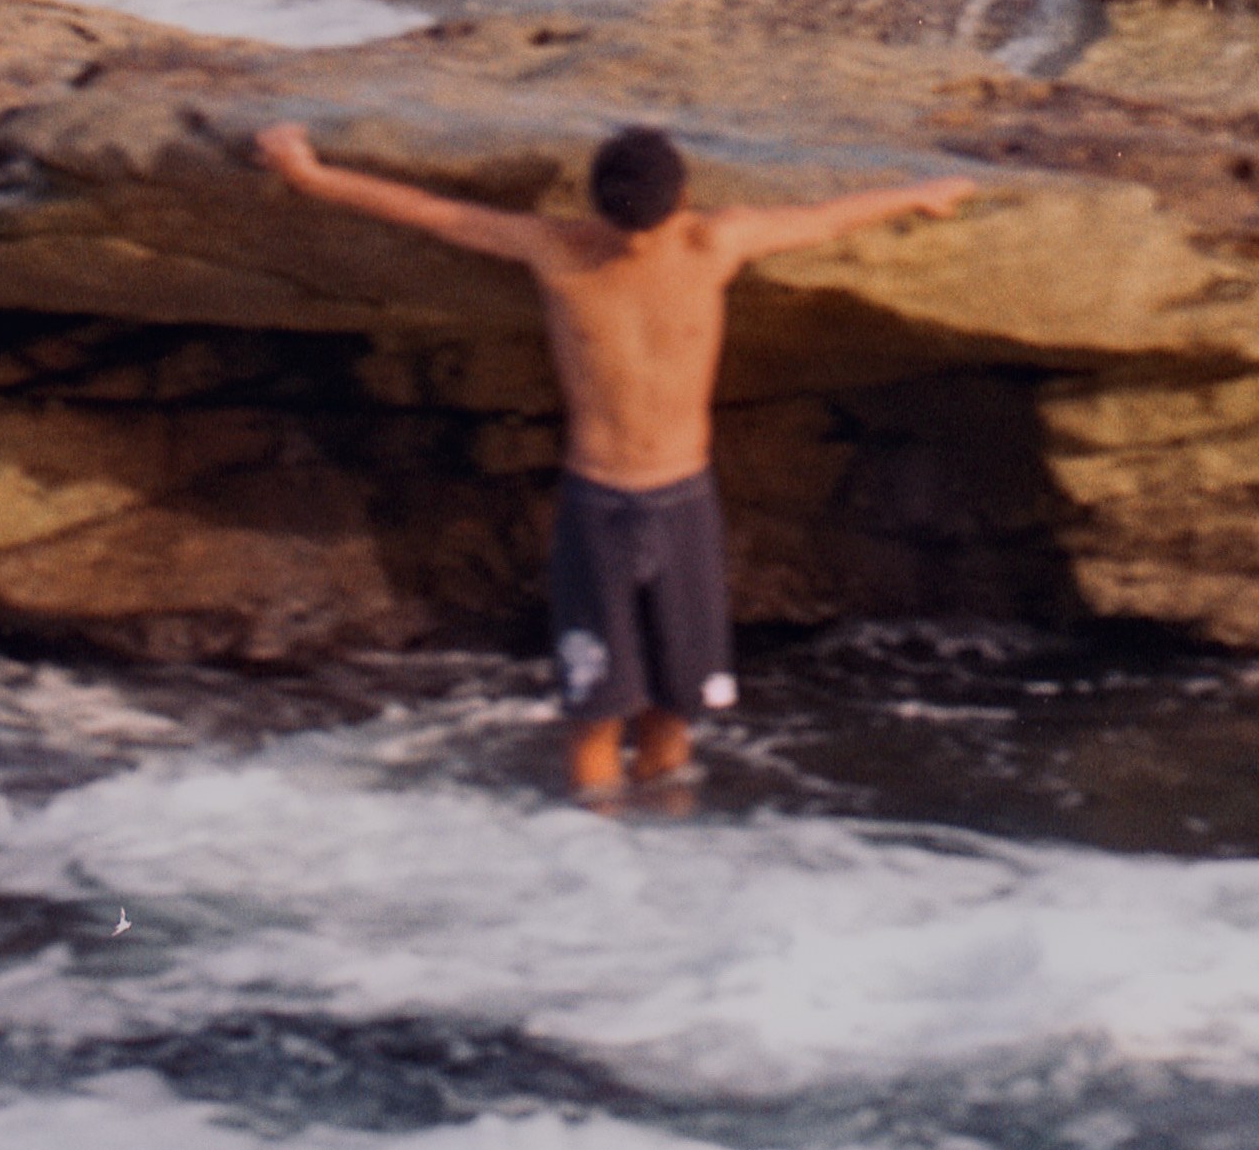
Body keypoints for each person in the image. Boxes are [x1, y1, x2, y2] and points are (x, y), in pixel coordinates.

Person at [252, 115, 976, 795]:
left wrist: (308, 174)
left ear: (598, 202)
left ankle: (606, 857)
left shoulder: (556, 248)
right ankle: (647, 860)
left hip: (598, 506)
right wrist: (921, 193)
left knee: (601, 712)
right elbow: (823, 218)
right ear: (683, 196)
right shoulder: (711, 243)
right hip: (676, 503)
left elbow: (434, 213)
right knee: (662, 709)